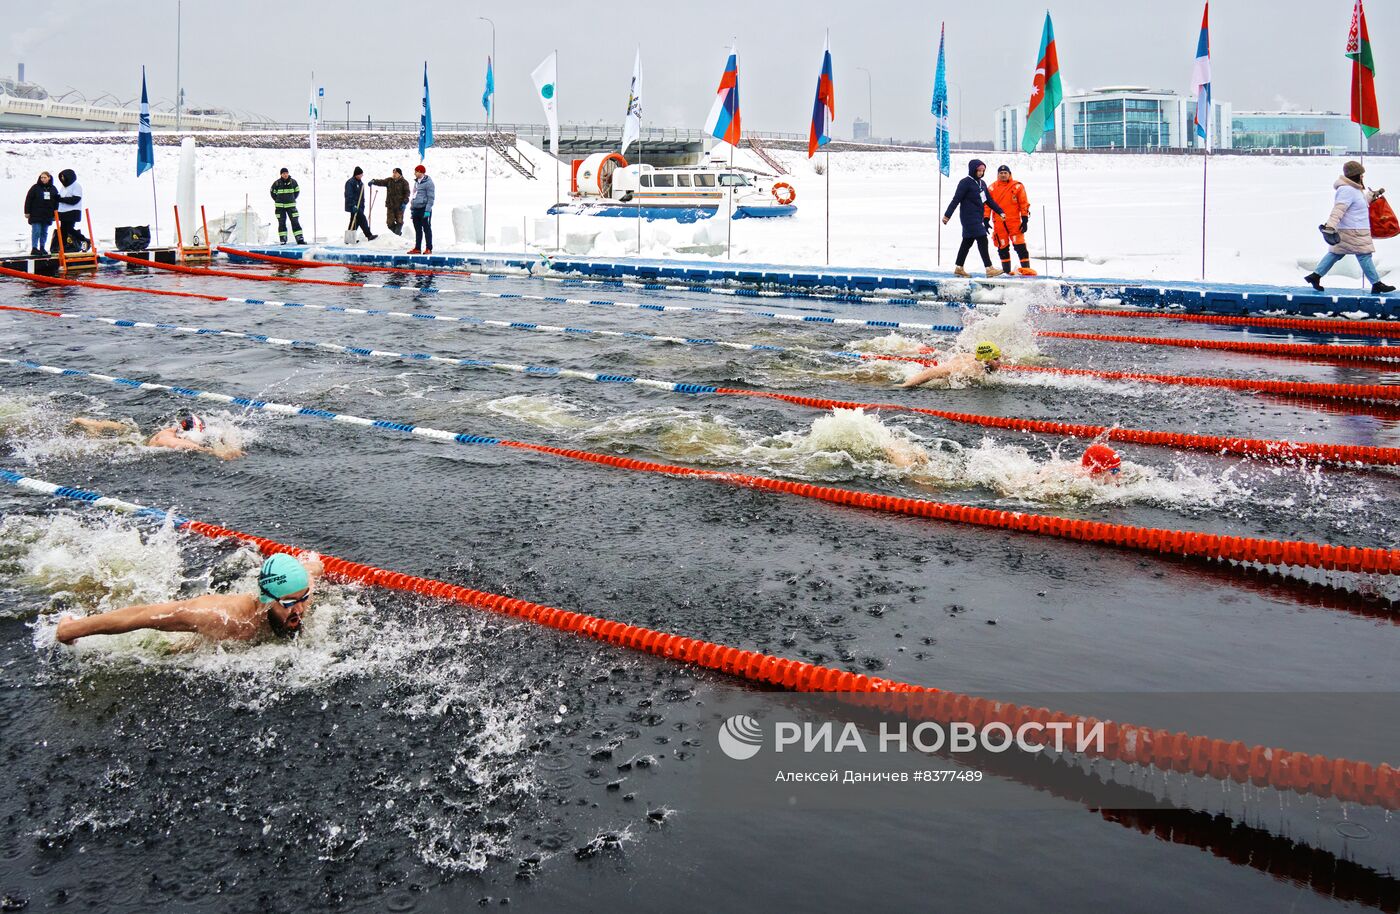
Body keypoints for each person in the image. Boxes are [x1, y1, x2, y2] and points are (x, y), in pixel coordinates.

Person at [56, 552, 324, 645]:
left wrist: (313, 563)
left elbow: (313, 571)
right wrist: (70, 629)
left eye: (303, 598)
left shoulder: (299, 599)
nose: (299, 609)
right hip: (204, 640)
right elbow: (141, 616)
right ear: (268, 598)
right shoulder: (221, 616)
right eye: (289, 602)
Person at [1305, 160, 1394, 295]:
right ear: (1356, 175)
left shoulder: (1353, 189)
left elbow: (1359, 204)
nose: (1363, 177)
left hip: (1353, 229)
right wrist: (1330, 226)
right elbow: (1338, 210)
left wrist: (1371, 195)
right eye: (1361, 174)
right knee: (1364, 255)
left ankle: (1315, 276)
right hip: (1355, 230)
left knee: (1336, 254)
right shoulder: (1346, 190)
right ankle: (1376, 284)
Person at [70, 411, 244, 459]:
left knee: (126, 430)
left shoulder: (175, 430)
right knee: (114, 443)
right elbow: (185, 446)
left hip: (144, 439)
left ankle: (93, 424)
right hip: (139, 448)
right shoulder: (167, 438)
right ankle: (91, 428)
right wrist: (213, 453)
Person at [942, 160, 1005, 278]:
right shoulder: (965, 183)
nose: (981, 173)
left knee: (967, 242)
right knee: (982, 238)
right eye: (979, 170)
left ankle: (959, 268)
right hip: (968, 217)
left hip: (977, 216)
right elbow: (956, 200)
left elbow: (988, 201)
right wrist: (947, 215)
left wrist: (1000, 211)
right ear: (973, 170)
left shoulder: (982, 183)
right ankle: (989, 268)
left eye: (983, 171)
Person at [986, 165, 1037, 277]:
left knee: (1020, 247)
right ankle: (1006, 272)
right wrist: (985, 219)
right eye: (1001, 173)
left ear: (1009, 174)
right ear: (998, 174)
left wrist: (1024, 219)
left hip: (1014, 222)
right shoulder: (991, 188)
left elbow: (1023, 203)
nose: (1003, 175)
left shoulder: (1017, 186)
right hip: (999, 223)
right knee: (1002, 248)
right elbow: (987, 205)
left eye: (1005, 173)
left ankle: (1026, 271)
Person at [900, 341, 1003, 388]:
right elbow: (932, 372)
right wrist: (905, 385)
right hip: (934, 371)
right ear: (985, 360)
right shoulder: (967, 369)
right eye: (995, 359)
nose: (1000, 362)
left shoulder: (981, 362)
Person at [23, 171, 60, 255]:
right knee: (36, 231)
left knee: (44, 232)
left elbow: (56, 202)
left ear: (49, 178)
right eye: (41, 177)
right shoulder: (35, 188)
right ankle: (34, 248)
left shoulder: (53, 189)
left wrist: (55, 214)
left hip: (47, 214)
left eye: (44, 177)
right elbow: (28, 199)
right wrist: (27, 212)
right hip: (36, 214)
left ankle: (42, 247)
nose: (43, 179)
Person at [270, 167, 307, 246]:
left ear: (288, 173)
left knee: (295, 222)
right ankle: (283, 240)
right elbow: (272, 193)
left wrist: (292, 199)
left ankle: (300, 239)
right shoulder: (276, 183)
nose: (285, 174)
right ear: (281, 174)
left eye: (286, 173)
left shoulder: (293, 182)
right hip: (280, 207)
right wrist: (278, 200)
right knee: (282, 223)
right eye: (283, 173)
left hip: (291, 207)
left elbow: (297, 192)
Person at [369, 168, 411, 236]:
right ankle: (397, 234)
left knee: (399, 222)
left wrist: (404, 202)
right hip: (390, 205)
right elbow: (381, 182)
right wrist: (374, 181)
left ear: (400, 174)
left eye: (396, 173)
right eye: (393, 172)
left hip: (400, 206)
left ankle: (397, 237)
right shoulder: (389, 180)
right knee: (389, 223)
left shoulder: (404, 182)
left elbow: (407, 193)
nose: (394, 174)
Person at [54, 169, 88, 252]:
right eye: (61, 177)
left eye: (63, 177)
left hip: (73, 211)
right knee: (63, 230)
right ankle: (63, 246)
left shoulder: (76, 186)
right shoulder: (63, 187)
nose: (62, 178)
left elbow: (75, 199)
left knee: (69, 228)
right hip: (63, 211)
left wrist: (61, 199)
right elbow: (61, 198)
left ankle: (84, 239)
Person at [408, 164, 435, 255]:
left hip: (424, 209)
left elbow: (431, 198)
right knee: (417, 229)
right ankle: (417, 248)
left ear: (421, 172)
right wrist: (412, 207)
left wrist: (427, 210)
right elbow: (414, 195)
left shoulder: (429, 183)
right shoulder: (416, 182)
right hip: (416, 209)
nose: (414, 173)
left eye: (416, 171)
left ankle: (429, 248)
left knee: (426, 229)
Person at [344, 166, 377, 241]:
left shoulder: (360, 183)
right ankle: (369, 235)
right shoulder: (350, 182)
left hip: (360, 206)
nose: (362, 175)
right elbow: (348, 195)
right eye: (361, 174)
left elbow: (361, 197)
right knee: (362, 219)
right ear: (357, 174)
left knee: (355, 221)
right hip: (354, 206)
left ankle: (349, 239)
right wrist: (353, 205)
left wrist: (362, 206)